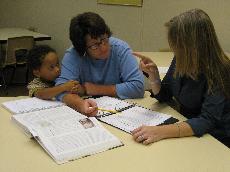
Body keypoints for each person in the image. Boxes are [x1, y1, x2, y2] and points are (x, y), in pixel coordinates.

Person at [132, 9, 230, 147]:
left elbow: (207, 121)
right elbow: (165, 94)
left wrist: (160, 131)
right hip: (186, 129)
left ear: (192, 46)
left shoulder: (221, 70)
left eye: (177, 45)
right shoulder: (182, 57)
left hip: (215, 140)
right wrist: (153, 75)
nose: (173, 49)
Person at [55, 12, 144, 116]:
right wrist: (80, 104)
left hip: (120, 111)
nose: (103, 47)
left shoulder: (120, 49)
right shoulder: (73, 55)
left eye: (104, 39)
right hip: (89, 112)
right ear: (83, 48)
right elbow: (62, 89)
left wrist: (94, 89)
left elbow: (138, 87)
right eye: (94, 46)